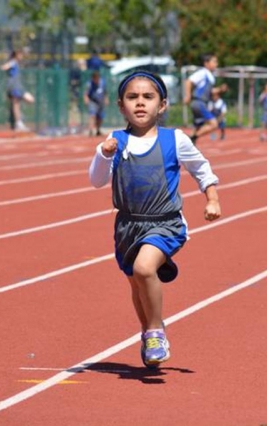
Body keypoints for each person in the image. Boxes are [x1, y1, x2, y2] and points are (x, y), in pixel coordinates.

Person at [88, 71, 221, 368]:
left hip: (165, 221)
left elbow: (200, 167)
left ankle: (155, 331)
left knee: (144, 268)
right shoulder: (115, 141)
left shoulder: (175, 139)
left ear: (162, 105)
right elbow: (96, 181)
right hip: (127, 225)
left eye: (148, 97)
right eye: (132, 97)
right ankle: (148, 332)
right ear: (121, 106)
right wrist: (103, 154)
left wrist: (212, 198)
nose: (140, 103)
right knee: (137, 283)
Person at [183, 53, 228, 145]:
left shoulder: (210, 77)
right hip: (199, 102)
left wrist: (220, 89)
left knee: (197, 127)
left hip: (200, 103)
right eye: (214, 61)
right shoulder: (203, 73)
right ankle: (191, 138)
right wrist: (187, 95)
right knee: (214, 124)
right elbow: (188, 81)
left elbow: (210, 92)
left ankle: (187, 145)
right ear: (206, 63)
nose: (217, 64)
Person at [0, 50, 35, 132]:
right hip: (13, 86)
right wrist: (6, 68)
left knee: (30, 99)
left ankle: (20, 119)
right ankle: (18, 123)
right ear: (16, 55)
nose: (21, 57)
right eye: (20, 55)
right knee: (16, 104)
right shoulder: (13, 62)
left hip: (19, 86)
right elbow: (4, 67)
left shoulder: (17, 63)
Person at [84, 70, 108, 136]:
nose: (96, 80)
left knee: (100, 117)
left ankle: (98, 130)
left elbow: (105, 92)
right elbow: (86, 93)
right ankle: (91, 130)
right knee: (92, 115)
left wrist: (106, 99)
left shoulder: (102, 82)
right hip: (93, 101)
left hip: (100, 101)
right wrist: (86, 99)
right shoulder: (89, 84)